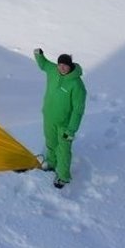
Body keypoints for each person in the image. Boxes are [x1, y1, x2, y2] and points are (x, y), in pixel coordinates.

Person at [33, 48, 87, 189]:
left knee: (63, 150)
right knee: (50, 142)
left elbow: (78, 111)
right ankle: (51, 163)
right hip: (49, 117)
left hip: (65, 124)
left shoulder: (77, 85)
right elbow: (44, 64)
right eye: (60, 65)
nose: (62, 68)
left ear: (70, 66)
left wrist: (71, 130)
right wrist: (38, 54)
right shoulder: (53, 70)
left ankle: (63, 177)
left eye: (65, 65)